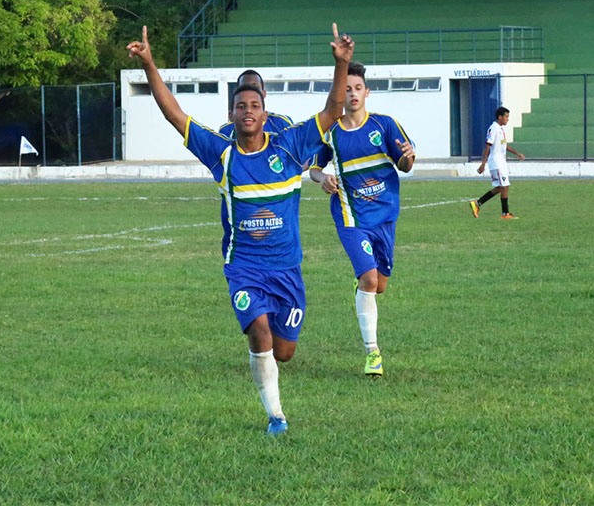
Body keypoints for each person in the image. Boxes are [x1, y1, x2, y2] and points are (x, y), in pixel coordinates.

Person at [127, 23, 354, 435]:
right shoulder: (221, 153)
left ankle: (275, 382)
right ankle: (276, 417)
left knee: (284, 352)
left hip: (287, 269)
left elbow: (333, 111)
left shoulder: (291, 145)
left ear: (264, 112)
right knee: (260, 331)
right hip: (243, 267)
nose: (248, 110)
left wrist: (340, 66)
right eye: (240, 106)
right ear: (232, 115)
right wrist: (149, 64)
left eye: (254, 104)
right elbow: (174, 114)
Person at [308, 62, 415, 377]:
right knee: (369, 280)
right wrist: (320, 178)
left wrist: (408, 157)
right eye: (347, 89)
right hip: (350, 215)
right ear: (339, 93)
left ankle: (364, 280)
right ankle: (373, 354)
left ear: (367, 92)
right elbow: (314, 168)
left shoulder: (384, 125)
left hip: (385, 217)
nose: (352, 94)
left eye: (357, 88)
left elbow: (406, 165)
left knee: (378, 286)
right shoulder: (331, 132)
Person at [469, 106, 525, 220]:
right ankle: (505, 214)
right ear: (500, 117)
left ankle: (477, 203)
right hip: (496, 162)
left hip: (501, 162)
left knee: (500, 187)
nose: (507, 119)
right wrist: (483, 163)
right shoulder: (493, 128)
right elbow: (487, 146)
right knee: (505, 186)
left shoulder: (501, 129)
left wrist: (517, 153)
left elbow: (505, 145)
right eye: (506, 117)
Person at [218, 70, 293, 138]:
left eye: (255, 87)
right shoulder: (225, 131)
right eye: (244, 87)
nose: (250, 92)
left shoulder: (282, 123)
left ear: (263, 94)